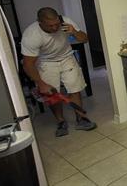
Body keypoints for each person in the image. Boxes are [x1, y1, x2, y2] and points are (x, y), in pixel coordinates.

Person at [22, 7, 96, 137]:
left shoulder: (65, 22)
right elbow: (28, 64)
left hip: (67, 57)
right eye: (51, 25)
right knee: (52, 94)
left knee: (75, 87)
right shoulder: (32, 35)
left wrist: (74, 32)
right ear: (40, 22)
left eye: (57, 23)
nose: (55, 28)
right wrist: (41, 83)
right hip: (46, 62)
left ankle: (81, 119)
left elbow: (84, 39)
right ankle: (61, 121)